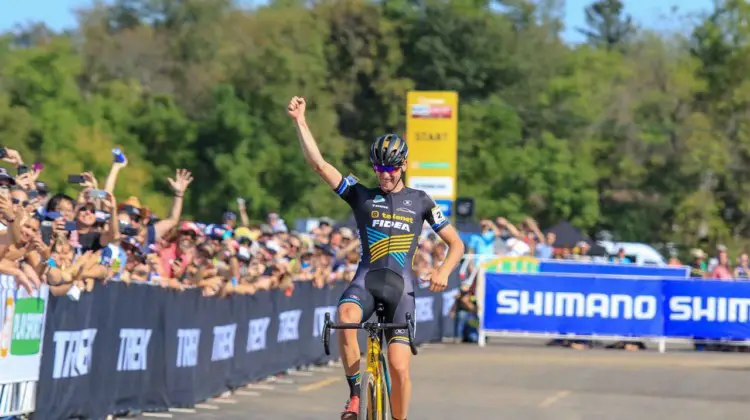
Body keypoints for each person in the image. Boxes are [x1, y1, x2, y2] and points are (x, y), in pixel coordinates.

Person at [287, 96, 465, 420]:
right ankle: (355, 396)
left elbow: (456, 244)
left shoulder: (421, 201)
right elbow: (320, 166)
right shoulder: (363, 196)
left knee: (398, 367)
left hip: (401, 289)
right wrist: (301, 121)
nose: (384, 174)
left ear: (404, 166)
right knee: (345, 314)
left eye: (391, 168)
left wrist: (444, 270)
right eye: (379, 168)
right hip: (366, 281)